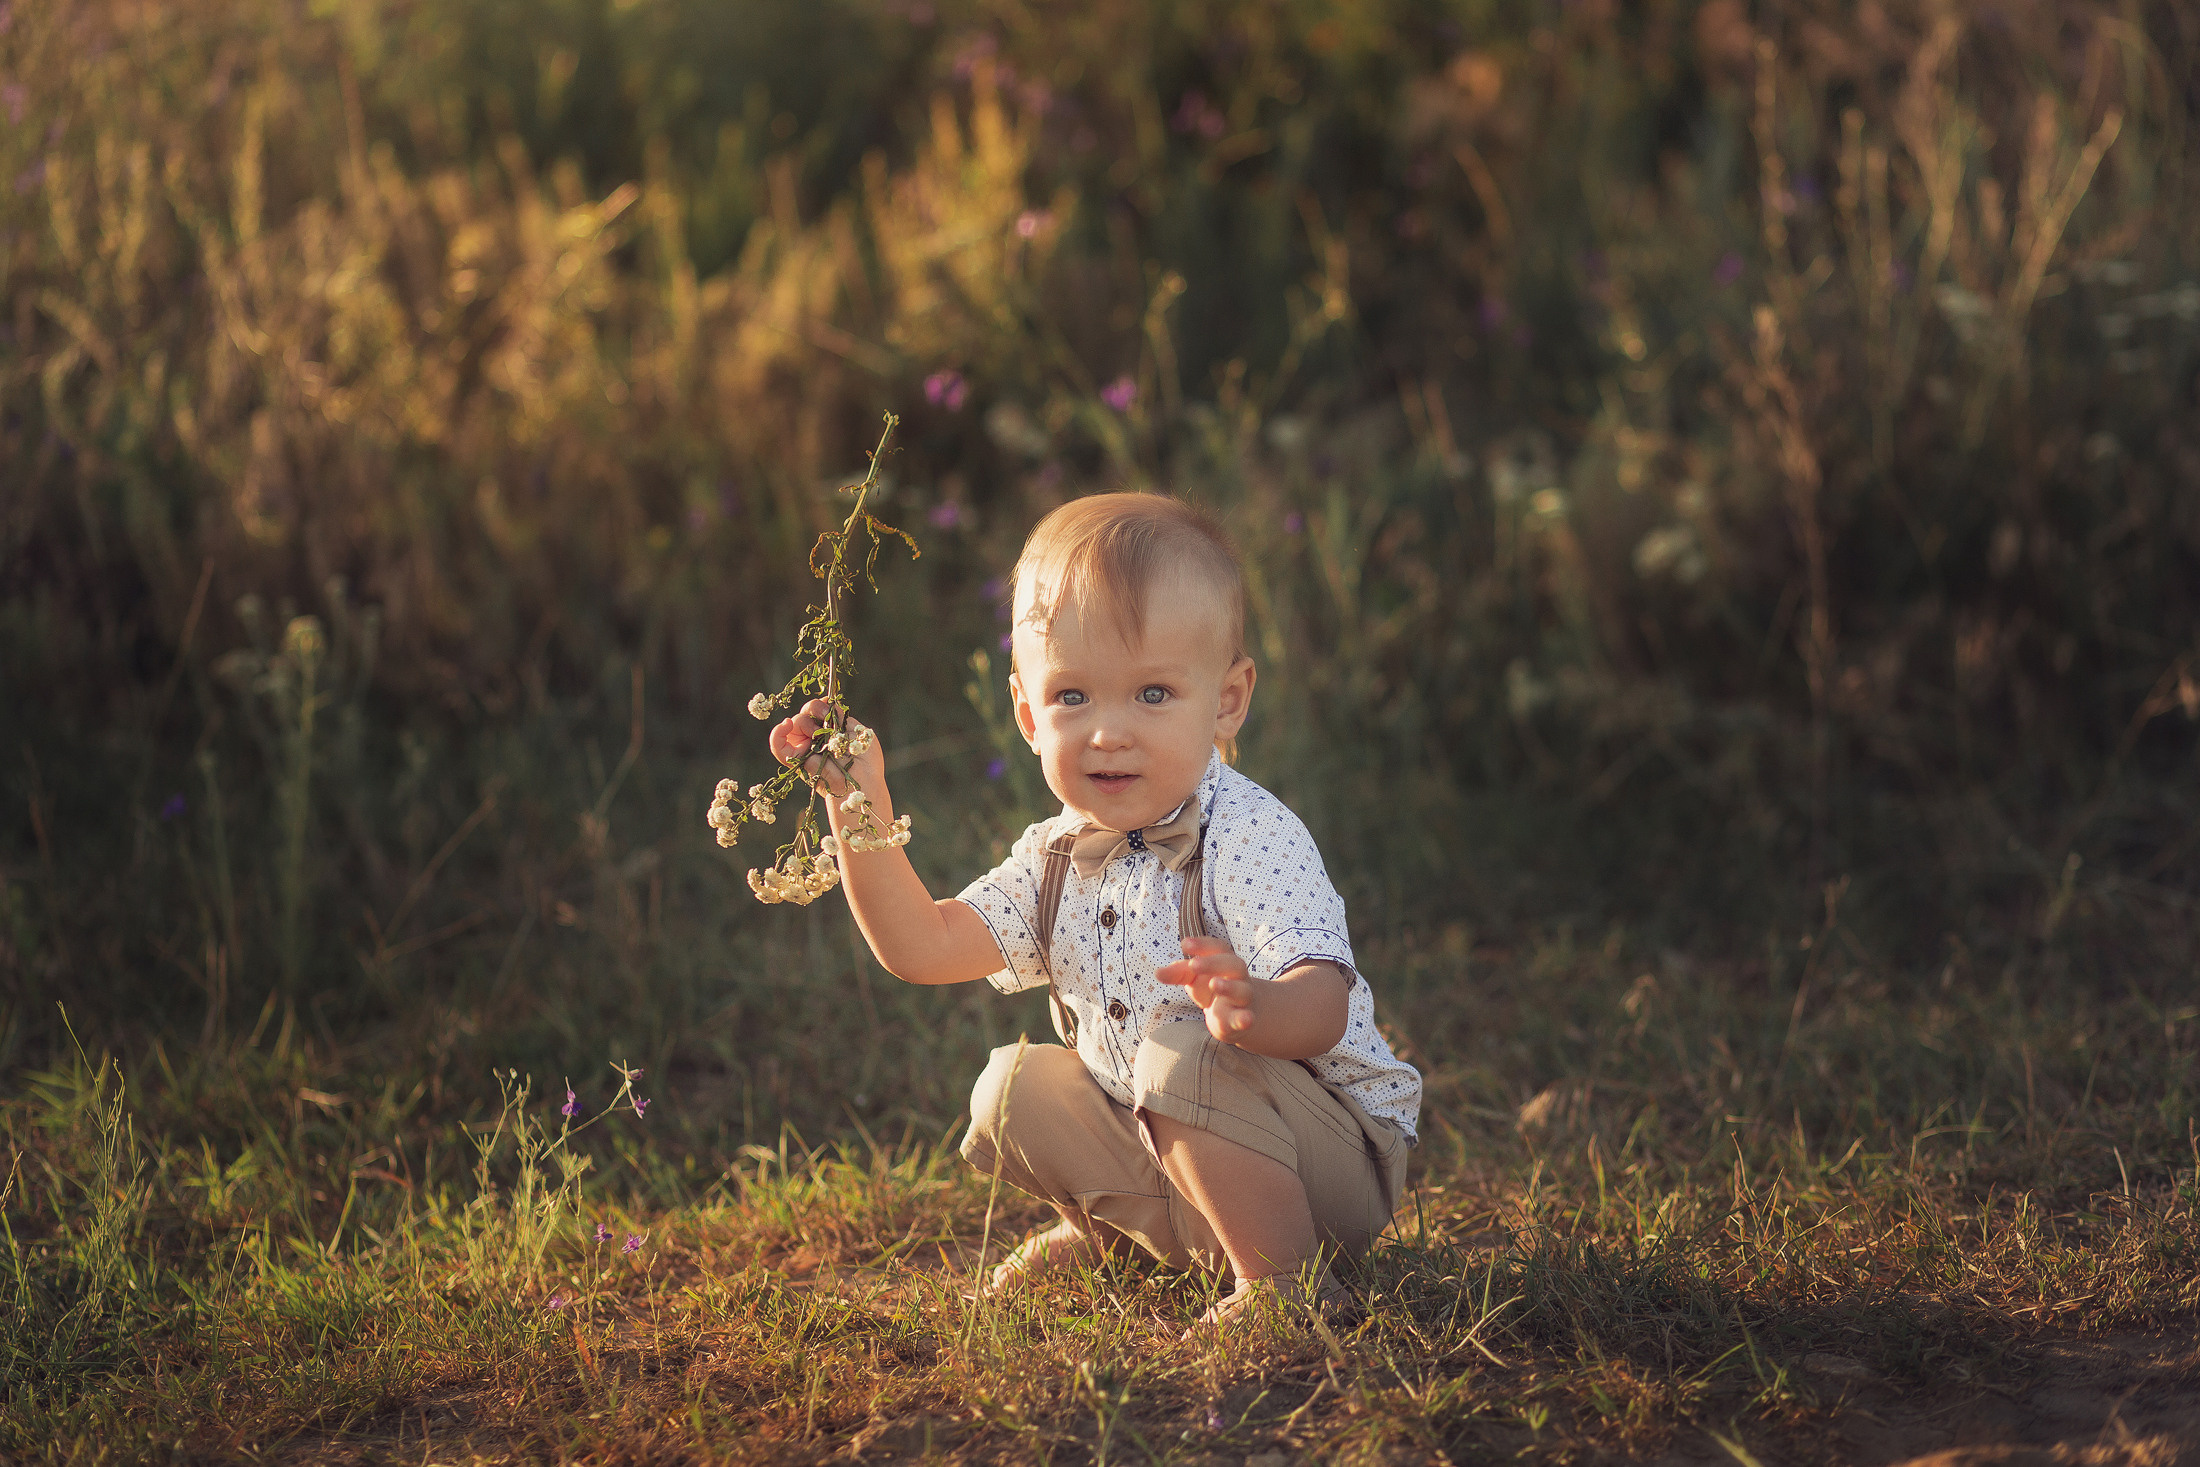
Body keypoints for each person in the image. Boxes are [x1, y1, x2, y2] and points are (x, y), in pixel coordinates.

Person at [766, 492, 1421, 1328]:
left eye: (1152, 693)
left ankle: (1286, 1283)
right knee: (1013, 1088)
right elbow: (922, 947)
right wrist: (859, 804)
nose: (1108, 731)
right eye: (1074, 697)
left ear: (1226, 702)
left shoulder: (1250, 834)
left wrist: (1260, 1007)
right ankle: (1123, 1233)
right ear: (1028, 713)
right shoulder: (1052, 858)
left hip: (1323, 1168)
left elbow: (1323, 1003)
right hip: (1178, 1157)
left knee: (1186, 1046)